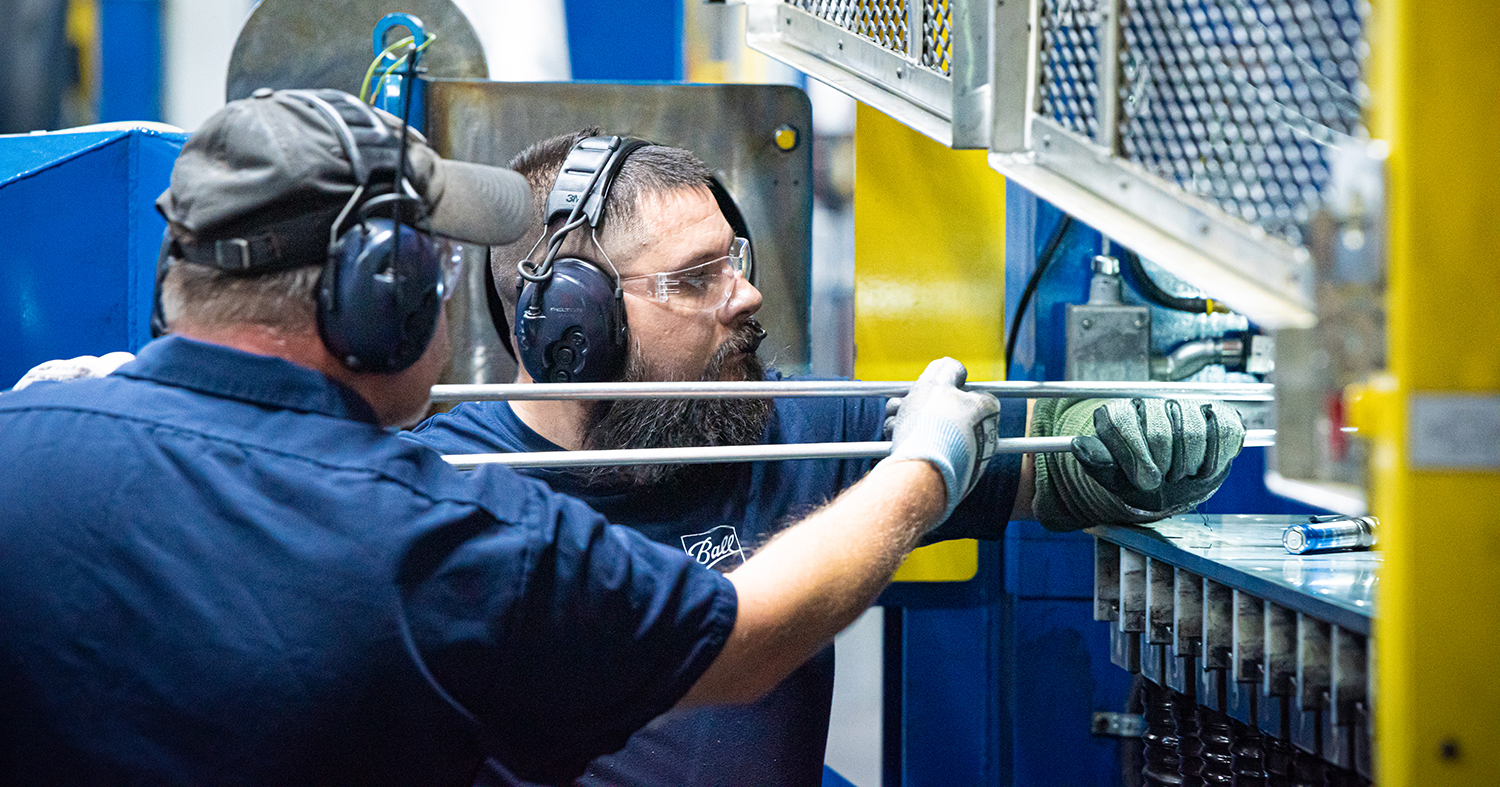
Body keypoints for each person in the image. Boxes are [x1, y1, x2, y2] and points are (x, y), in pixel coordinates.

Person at [0, 92, 1005, 787]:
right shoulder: (445, 532)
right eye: (433, 269)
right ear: (378, 304)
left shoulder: (26, 443)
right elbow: (738, 644)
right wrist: (924, 470)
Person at [409, 130, 1247, 787]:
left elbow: (1048, 458)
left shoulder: (788, 424)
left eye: (733, 258)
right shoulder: (445, 498)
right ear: (571, 327)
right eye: (695, 278)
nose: (747, 294)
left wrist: (1134, 447)